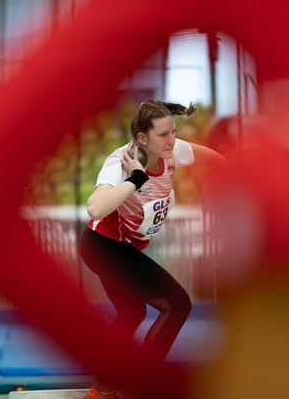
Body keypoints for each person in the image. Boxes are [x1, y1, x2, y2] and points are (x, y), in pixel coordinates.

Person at [79, 99, 226, 399]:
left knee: (130, 313)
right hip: (104, 247)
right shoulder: (119, 162)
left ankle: (101, 390)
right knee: (177, 305)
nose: (173, 140)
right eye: (164, 134)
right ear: (142, 138)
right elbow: (95, 208)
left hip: (122, 248)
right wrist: (136, 178)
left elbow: (215, 160)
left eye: (174, 132)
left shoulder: (173, 151)